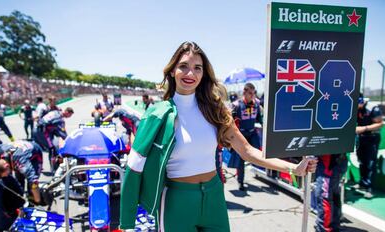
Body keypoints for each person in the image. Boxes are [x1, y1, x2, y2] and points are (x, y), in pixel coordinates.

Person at [119, 41, 317, 231]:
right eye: (183, 66)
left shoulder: (215, 111)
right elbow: (134, 166)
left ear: (204, 73)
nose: (190, 73)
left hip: (214, 196)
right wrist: (127, 220)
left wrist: (293, 168)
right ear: (172, 70)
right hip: (177, 201)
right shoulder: (157, 114)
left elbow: (248, 151)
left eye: (197, 67)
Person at [0, 140, 43, 204]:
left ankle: (31, 201)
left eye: (5, 175)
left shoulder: (21, 162)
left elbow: (34, 181)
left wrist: (37, 200)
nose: (6, 176)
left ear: (6, 167)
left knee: (31, 188)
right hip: (17, 151)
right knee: (18, 182)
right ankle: (20, 200)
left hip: (34, 152)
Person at [231, 83, 263, 191]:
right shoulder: (236, 105)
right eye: (250, 93)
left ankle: (259, 170)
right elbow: (230, 121)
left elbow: (260, 119)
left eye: (254, 93)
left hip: (252, 133)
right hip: (241, 134)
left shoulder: (257, 104)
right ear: (244, 92)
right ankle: (240, 181)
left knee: (259, 154)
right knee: (240, 159)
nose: (252, 95)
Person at [355, 94, 383, 198]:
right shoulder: (357, 108)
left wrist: (364, 128)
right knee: (361, 161)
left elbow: (380, 123)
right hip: (361, 138)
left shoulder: (372, 108)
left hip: (372, 137)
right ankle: (362, 184)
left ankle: (370, 188)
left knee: (370, 163)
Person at [314, 153, 348, 232]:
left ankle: (324, 228)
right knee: (333, 194)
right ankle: (333, 226)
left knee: (324, 196)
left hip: (329, 163)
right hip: (336, 161)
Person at [34, 107, 74, 172]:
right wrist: (69, 141)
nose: (69, 117)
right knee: (52, 149)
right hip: (42, 132)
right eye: (70, 115)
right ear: (67, 112)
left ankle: (47, 166)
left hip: (38, 130)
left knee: (43, 148)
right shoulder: (60, 120)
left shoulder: (56, 112)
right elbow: (63, 134)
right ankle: (53, 169)